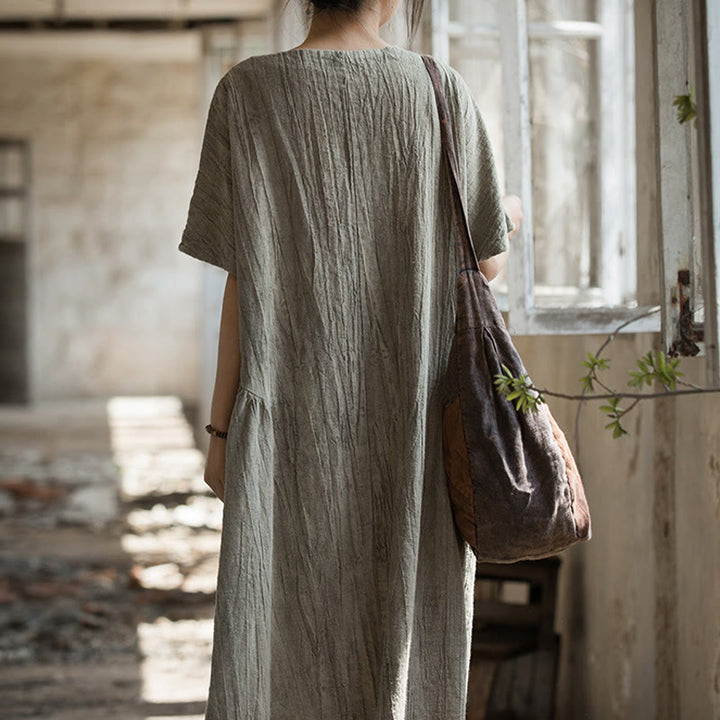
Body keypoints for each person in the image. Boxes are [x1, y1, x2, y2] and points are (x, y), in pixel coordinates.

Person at [178, 0, 522, 717]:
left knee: (279, 638)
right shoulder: (438, 89)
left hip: (288, 424)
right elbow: (487, 264)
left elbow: (242, 280)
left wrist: (219, 435)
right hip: (413, 420)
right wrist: (508, 213)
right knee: (402, 635)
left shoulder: (246, 92)